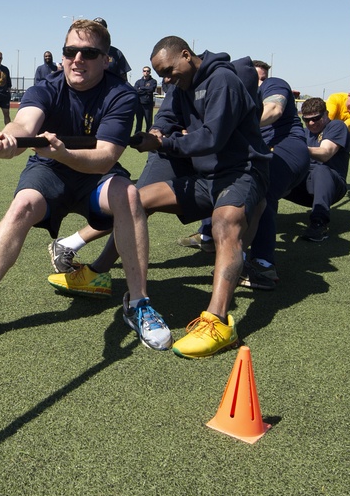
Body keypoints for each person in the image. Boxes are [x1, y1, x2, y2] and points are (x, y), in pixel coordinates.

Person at [0, 19, 170, 353]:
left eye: (89, 53)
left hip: (94, 172)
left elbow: (105, 157)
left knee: (130, 195)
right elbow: (24, 123)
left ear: (106, 59)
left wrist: (63, 152)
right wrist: (8, 139)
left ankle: (138, 304)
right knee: (21, 206)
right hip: (48, 169)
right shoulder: (44, 88)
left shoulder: (121, 95)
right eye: (70, 51)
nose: (77, 59)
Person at [92, 37, 268, 360]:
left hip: (241, 174)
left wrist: (165, 145)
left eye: (170, 72)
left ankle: (218, 322)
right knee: (136, 199)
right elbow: (167, 116)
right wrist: (158, 131)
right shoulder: (179, 83)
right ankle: (97, 273)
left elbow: (213, 138)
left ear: (186, 55)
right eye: (162, 75)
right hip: (206, 179)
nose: (167, 80)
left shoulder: (222, 81)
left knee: (224, 222)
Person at [237, 61, 310, 290]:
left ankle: (263, 265)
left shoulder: (272, 84)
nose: (255, 81)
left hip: (287, 147)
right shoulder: (239, 96)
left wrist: (227, 126)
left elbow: (274, 109)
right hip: (261, 150)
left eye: (257, 77)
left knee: (263, 191)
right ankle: (209, 237)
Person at [282, 97, 350, 242]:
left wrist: (297, 149)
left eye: (316, 118)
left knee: (321, 169)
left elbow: (325, 153)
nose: (311, 123)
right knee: (276, 171)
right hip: (304, 184)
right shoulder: (303, 132)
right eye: (307, 120)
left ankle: (319, 224)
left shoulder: (336, 126)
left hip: (331, 185)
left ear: (326, 114)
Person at [132, 66, 158, 134]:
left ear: (150, 72)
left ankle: (148, 139)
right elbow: (136, 90)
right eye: (144, 71)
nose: (146, 72)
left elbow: (151, 89)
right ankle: (137, 138)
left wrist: (141, 89)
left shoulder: (153, 81)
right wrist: (146, 89)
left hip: (148, 105)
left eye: (147, 71)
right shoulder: (138, 82)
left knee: (148, 123)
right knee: (138, 123)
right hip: (139, 105)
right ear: (142, 72)